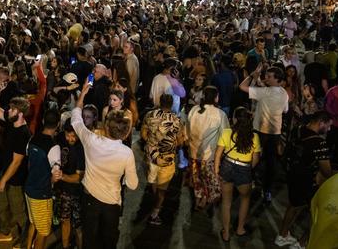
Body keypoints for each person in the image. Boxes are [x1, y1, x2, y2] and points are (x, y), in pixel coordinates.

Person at [72, 81, 138, 249]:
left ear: (106, 126)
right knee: (108, 240)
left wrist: (82, 95)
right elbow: (133, 184)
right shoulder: (126, 153)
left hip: (89, 199)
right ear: (124, 133)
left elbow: (76, 118)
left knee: (89, 239)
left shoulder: (92, 140)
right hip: (111, 203)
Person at [275, 111, 333, 249]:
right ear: (321, 123)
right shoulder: (319, 142)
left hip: (292, 174)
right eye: (328, 126)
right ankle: (302, 243)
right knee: (317, 214)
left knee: (293, 205)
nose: (329, 129)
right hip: (308, 180)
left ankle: (282, 236)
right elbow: (327, 170)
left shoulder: (298, 129)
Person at [0, 86, 31, 246]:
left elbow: (17, 162)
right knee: (0, 204)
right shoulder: (13, 121)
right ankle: (5, 231)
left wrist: (3, 180)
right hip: (6, 174)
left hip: (15, 179)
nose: (8, 111)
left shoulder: (23, 134)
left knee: (19, 212)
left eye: (12, 110)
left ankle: (27, 240)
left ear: (20, 114)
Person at [239, 64, 288, 203]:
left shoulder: (264, 92)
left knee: (253, 157)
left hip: (260, 131)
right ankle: (267, 190)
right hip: (275, 133)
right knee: (271, 163)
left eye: (269, 76)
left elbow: (242, 87)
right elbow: (285, 110)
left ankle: (251, 182)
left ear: (277, 79)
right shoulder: (284, 93)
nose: (266, 78)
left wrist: (251, 75)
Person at [214, 107, 261, 242]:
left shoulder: (227, 132)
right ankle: (240, 228)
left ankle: (226, 233)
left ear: (234, 119)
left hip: (227, 167)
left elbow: (218, 154)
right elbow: (256, 159)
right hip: (244, 169)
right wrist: (247, 168)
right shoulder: (254, 136)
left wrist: (217, 170)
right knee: (245, 200)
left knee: (226, 202)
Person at [140, 93, 184, 225]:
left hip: (151, 156)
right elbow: (181, 141)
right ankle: (156, 211)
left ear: (160, 102)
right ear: (171, 105)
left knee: (153, 181)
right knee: (162, 189)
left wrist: (151, 143)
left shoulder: (150, 115)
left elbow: (143, 134)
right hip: (167, 159)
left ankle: (155, 202)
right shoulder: (177, 120)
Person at [24, 109, 62, 249]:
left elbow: (29, 160)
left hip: (29, 188)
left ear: (43, 121)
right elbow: (56, 175)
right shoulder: (54, 147)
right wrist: (50, 181)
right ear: (58, 124)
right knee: (44, 231)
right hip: (42, 193)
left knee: (33, 223)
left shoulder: (32, 139)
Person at [186, 86, 229, 210]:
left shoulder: (194, 110)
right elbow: (224, 135)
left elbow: (187, 130)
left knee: (196, 177)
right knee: (208, 178)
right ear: (216, 97)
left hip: (194, 151)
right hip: (209, 155)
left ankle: (198, 198)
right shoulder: (220, 114)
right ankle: (205, 198)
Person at [55, 121, 85, 249]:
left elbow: (79, 177)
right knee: (65, 222)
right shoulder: (60, 138)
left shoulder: (81, 149)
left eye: (73, 136)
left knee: (78, 226)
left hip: (77, 192)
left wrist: (61, 176)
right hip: (63, 191)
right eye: (68, 135)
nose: (70, 139)